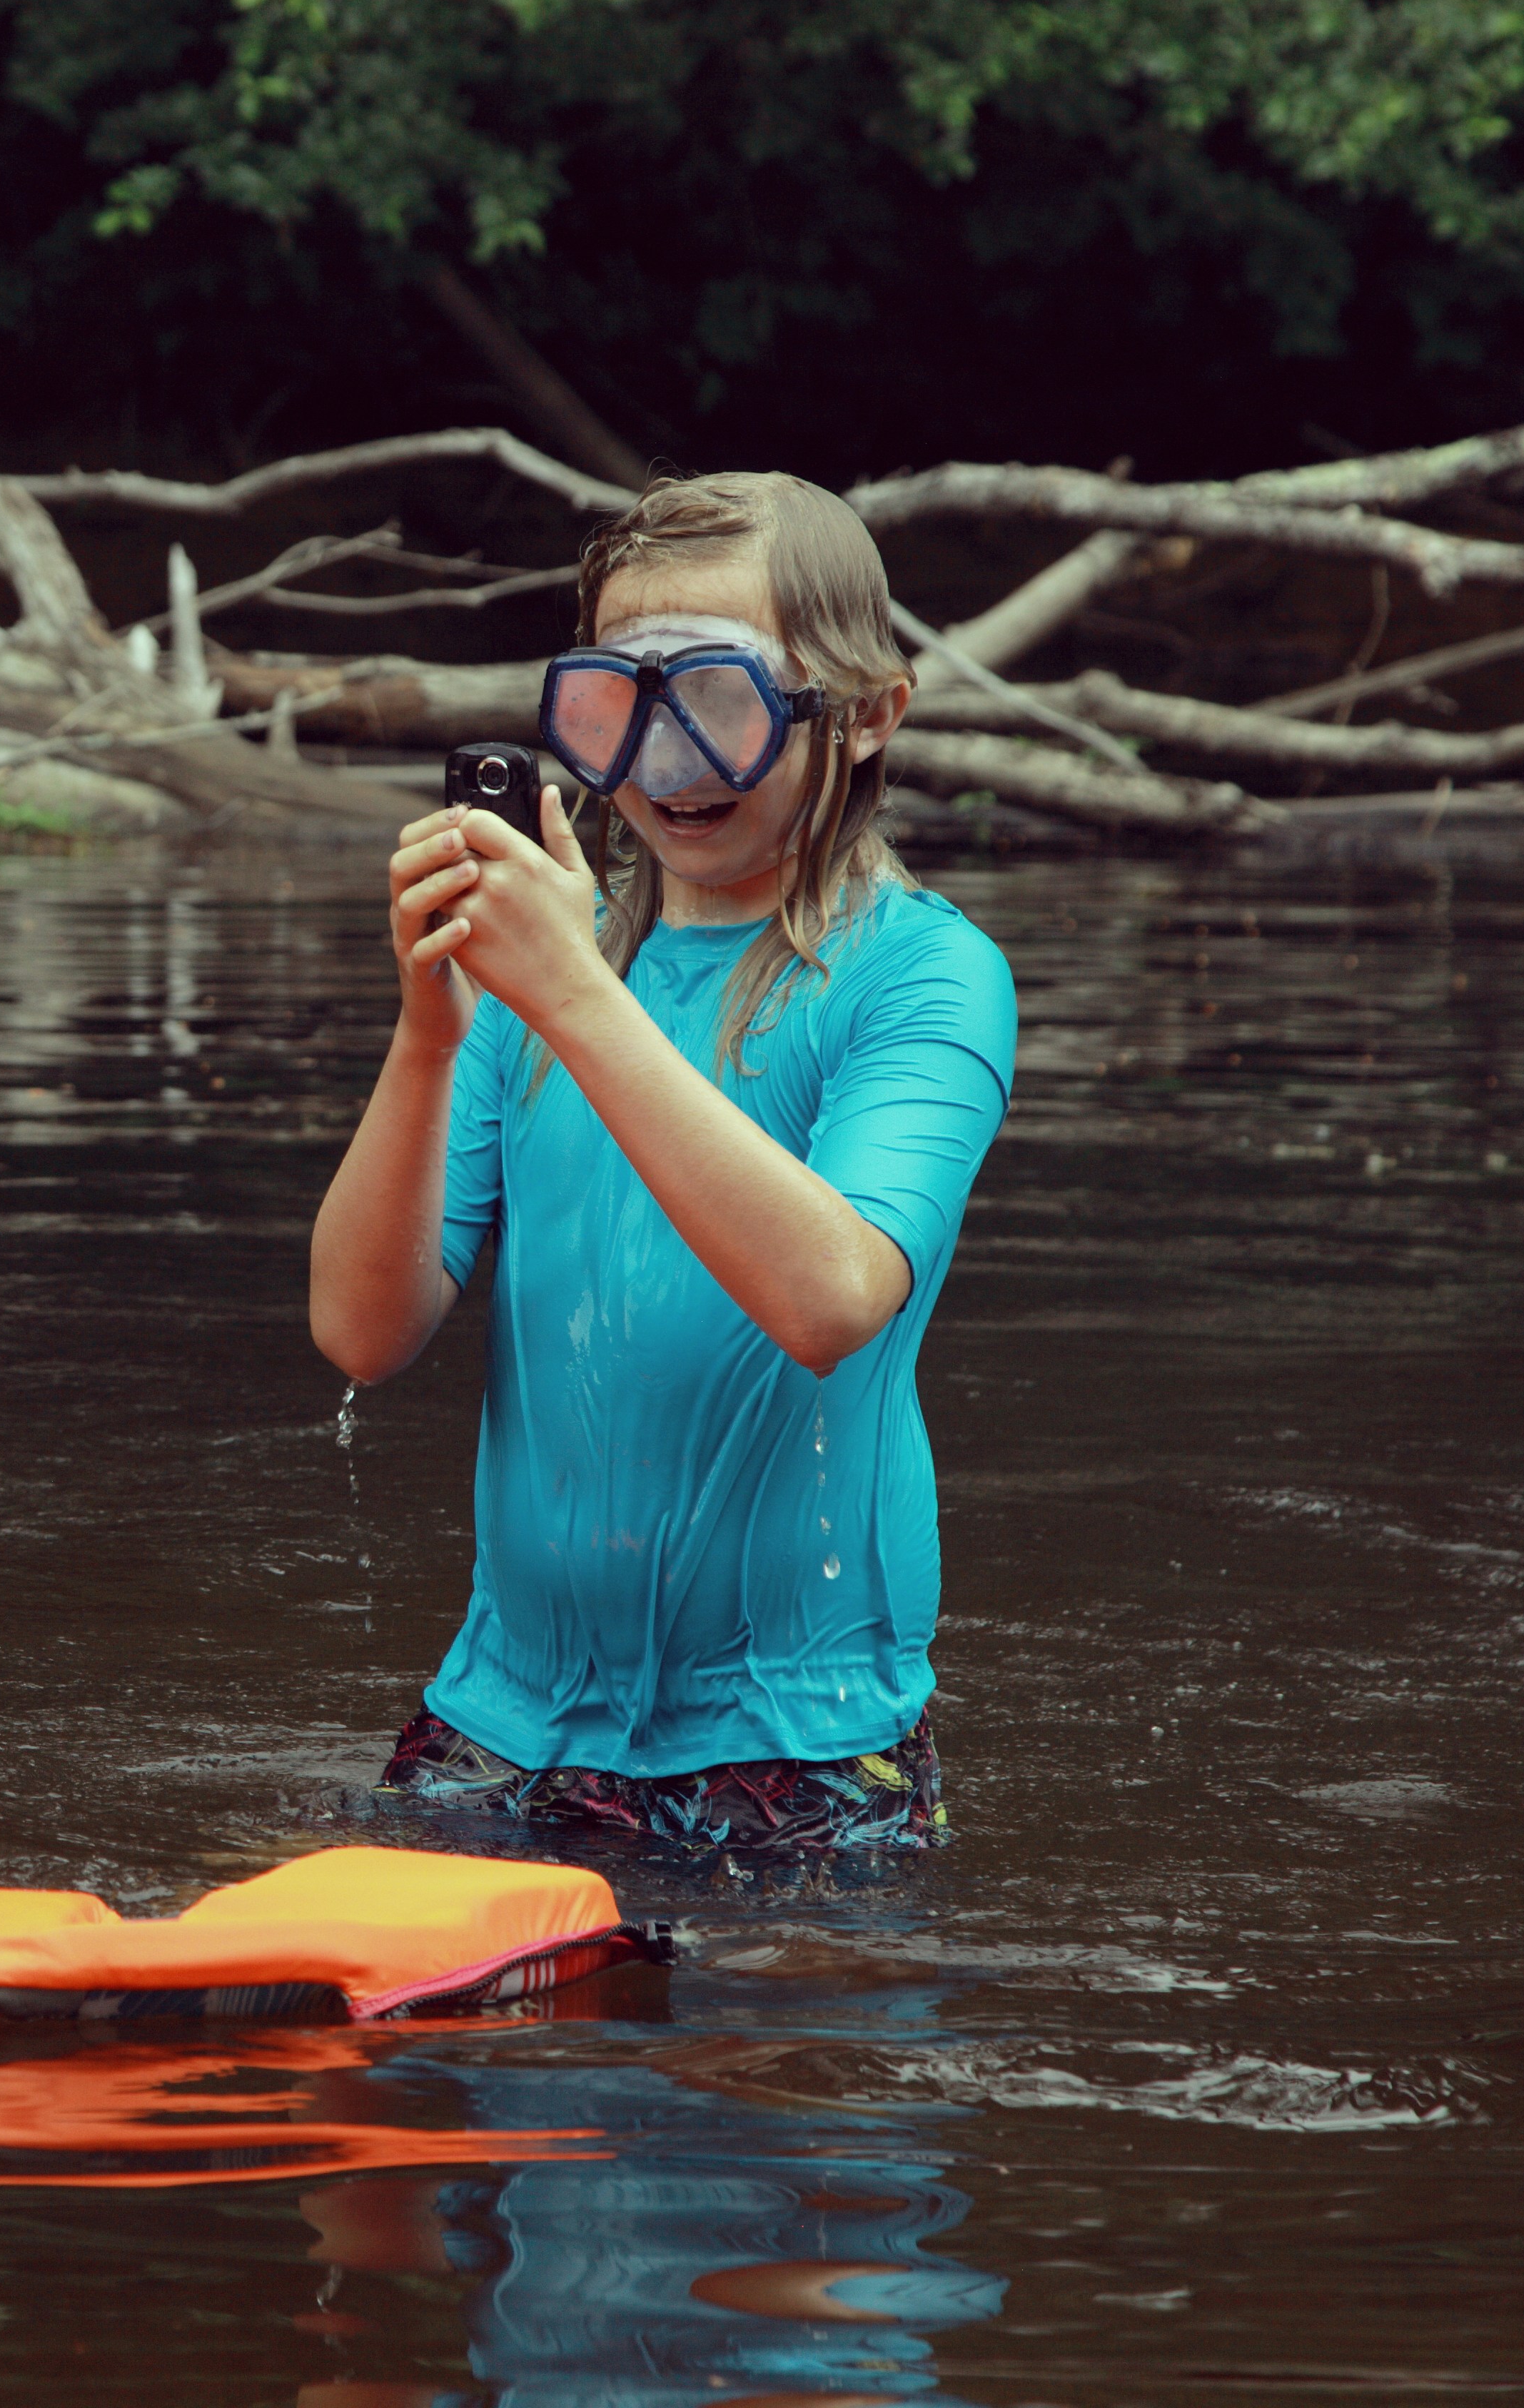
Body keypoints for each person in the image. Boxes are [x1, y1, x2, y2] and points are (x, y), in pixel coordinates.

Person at [310, 471, 1014, 1852]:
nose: (667, 765)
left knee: (759, 2068)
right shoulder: (543, 979)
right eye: (616, 711)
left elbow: (831, 1298)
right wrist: (431, 1035)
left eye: (725, 706)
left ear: (870, 714)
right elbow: (360, 1332)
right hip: (497, 1730)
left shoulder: (925, 976)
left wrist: (572, 993)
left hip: (798, 1743)